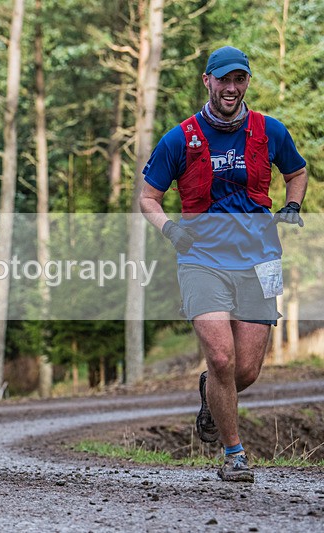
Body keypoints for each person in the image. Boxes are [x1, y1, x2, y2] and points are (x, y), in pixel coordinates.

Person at [139, 46, 308, 482]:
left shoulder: (269, 131)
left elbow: (297, 172)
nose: (231, 88)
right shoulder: (180, 138)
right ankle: (234, 455)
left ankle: (210, 392)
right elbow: (148, 198)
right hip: (202, 260)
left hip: (259, 259)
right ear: (207, 81)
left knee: (244, 370)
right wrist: (170, 230)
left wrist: (292, 205)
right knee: (220, 357)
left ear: (246, 82)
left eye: (240, 79)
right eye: (224, 79)